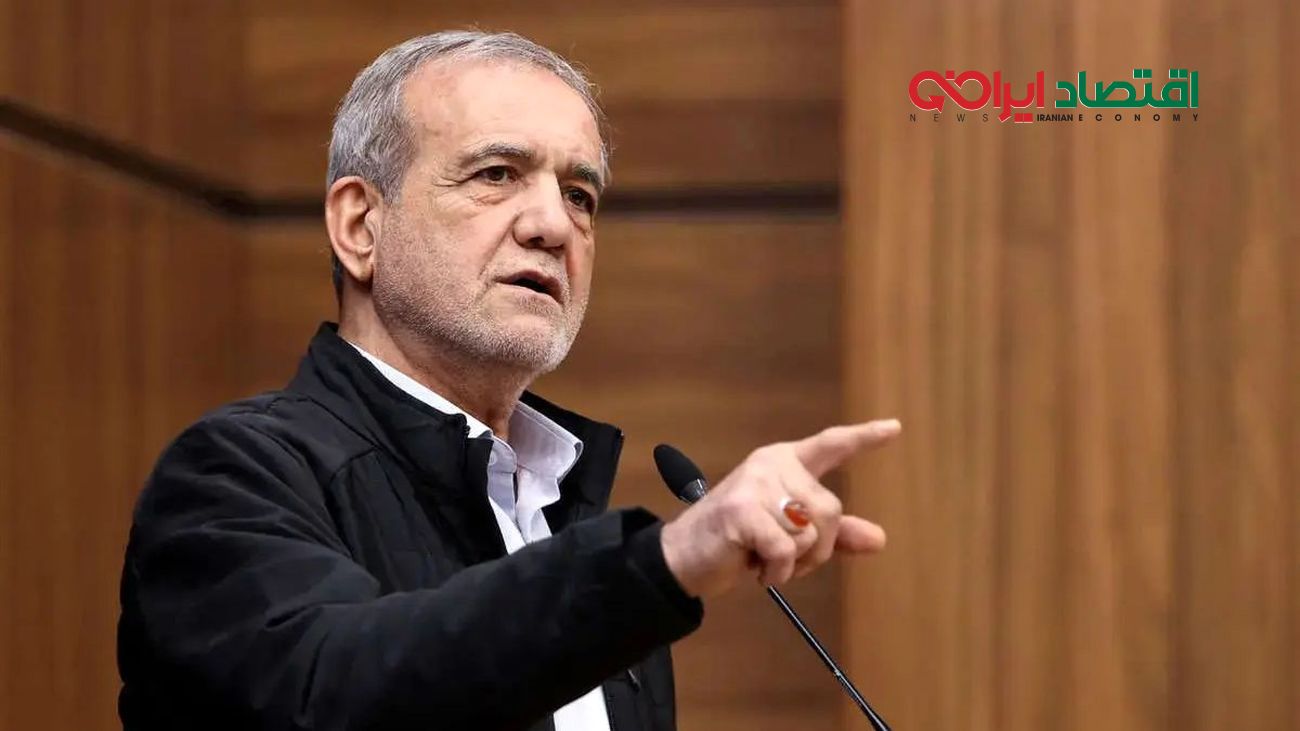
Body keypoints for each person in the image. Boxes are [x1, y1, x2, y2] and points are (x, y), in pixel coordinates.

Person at [117, 30, 901, 731]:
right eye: (496, 174)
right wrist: (664, 562)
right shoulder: (230, 479)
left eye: (579, 195)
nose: (554, 225)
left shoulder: (572, 526)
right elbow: (346, 692)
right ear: (360, 226)